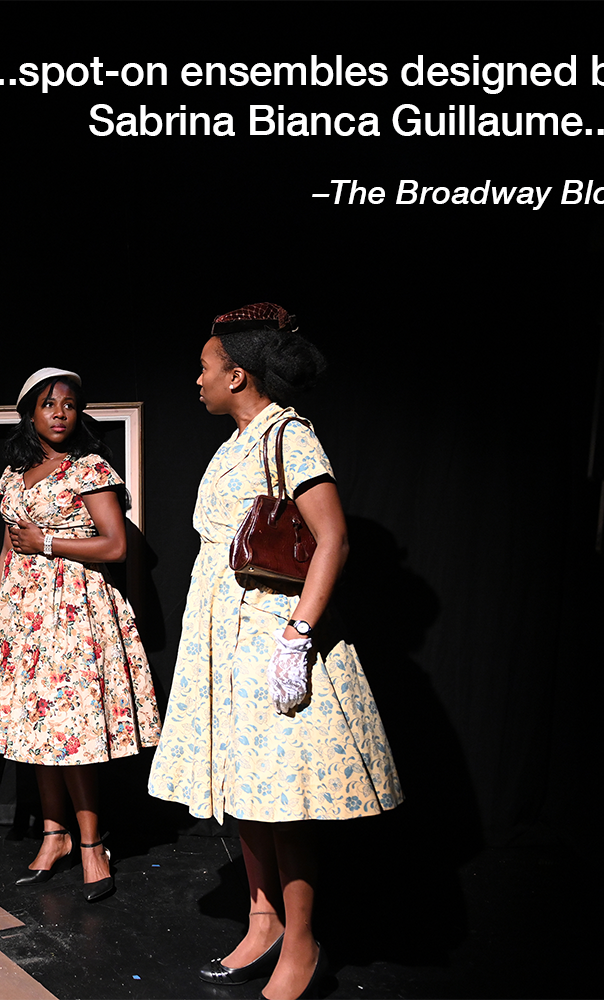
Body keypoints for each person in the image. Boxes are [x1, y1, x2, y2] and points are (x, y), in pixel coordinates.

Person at [148, 305, 403, 1000]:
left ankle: (301, 941)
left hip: (267, 631)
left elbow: (333, 539)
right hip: (220, 639)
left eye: (204, 368)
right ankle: (260, 922)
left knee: (283, 798)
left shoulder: (288, 436)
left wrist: (297, 635)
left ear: (237, 375)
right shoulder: (235, 443)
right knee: (246, 789)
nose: (194, 379)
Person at [0, 368, 162, 902]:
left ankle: (91, 844)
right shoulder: (15, 475)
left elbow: (116, 546)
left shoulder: (89, 469)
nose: (59, 413)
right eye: (48, 404)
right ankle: (53, 836)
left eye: (70, 405)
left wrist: (47, 542)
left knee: (71, 735)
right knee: (35, 734)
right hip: (23, 617)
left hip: (75, 611)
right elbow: (7, 551)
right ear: (29, 413)